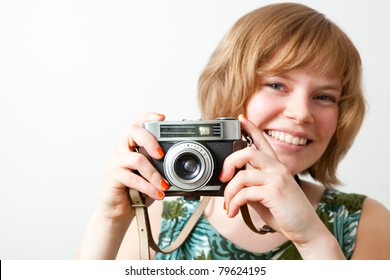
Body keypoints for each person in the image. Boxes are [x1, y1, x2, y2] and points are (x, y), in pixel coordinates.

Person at [76, 3, 390, 260]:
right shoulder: (159, 215)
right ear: (231, 88)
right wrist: (109, 220)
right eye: (277, 84)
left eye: (324, 97)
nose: (301, 113)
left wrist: (313, 238)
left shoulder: (365, 222)